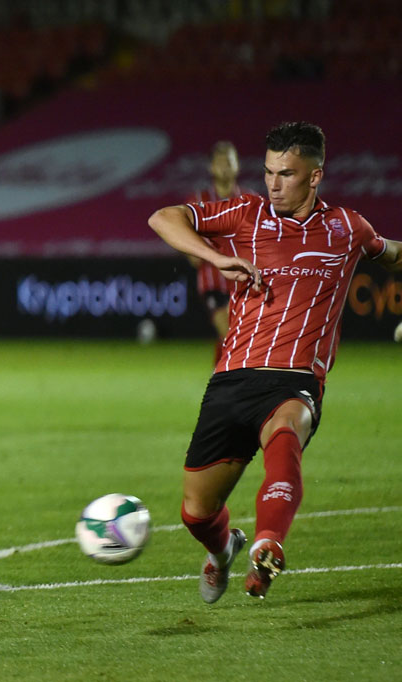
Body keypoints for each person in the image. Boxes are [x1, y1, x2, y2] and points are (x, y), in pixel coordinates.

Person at [148, 122, 402, 603]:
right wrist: (214, 257)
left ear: (315, 175)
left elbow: (391, 254)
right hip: (231, 377)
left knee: (287, 432)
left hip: (296, 379)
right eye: (268, 172)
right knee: (196, 512)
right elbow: (162, 218)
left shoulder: (348, 227)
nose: (273, 183)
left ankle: (268, 544)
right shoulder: (246, 213)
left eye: (286, 173)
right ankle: (224, 548)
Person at [184, 142, 252, 361]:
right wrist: (191, 251)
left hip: (243, 283)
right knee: (231, 333)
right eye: (220, 162)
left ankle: (219, 374)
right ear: (211, 167)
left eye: (229, 162)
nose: (224, 167)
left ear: (237, 166)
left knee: (236, 337)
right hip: (214, 282)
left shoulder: (250, 202)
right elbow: (180, 232)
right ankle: (231, 383)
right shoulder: (198, 201)